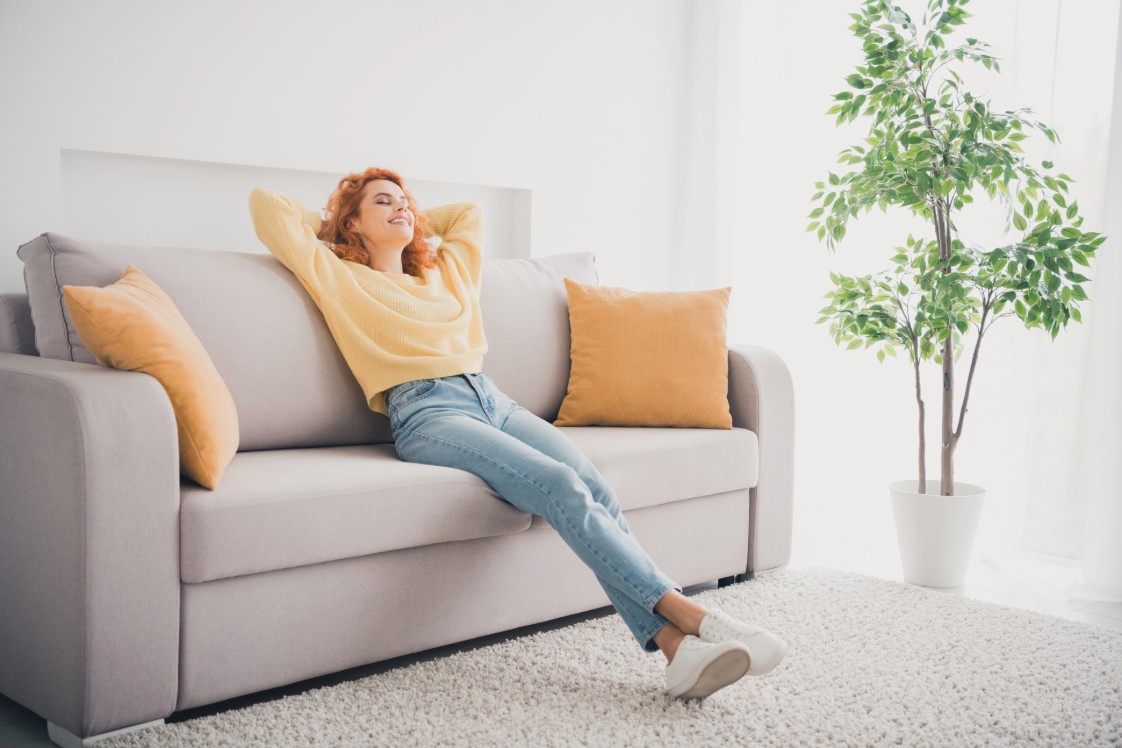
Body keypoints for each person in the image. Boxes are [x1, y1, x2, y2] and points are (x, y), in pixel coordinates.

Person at [248, 167, 788, 699]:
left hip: (494, 400)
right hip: (427, 412)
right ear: (352, 223)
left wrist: (409, 216)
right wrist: (336, 223)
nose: (401, 208)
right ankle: (697, 618)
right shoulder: (338, 275)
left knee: (594, 485)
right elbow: (267, 206)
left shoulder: (445, 272)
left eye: (404, 201)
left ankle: (676, 650)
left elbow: (468, 214)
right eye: (383, 202)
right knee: (559, 484)